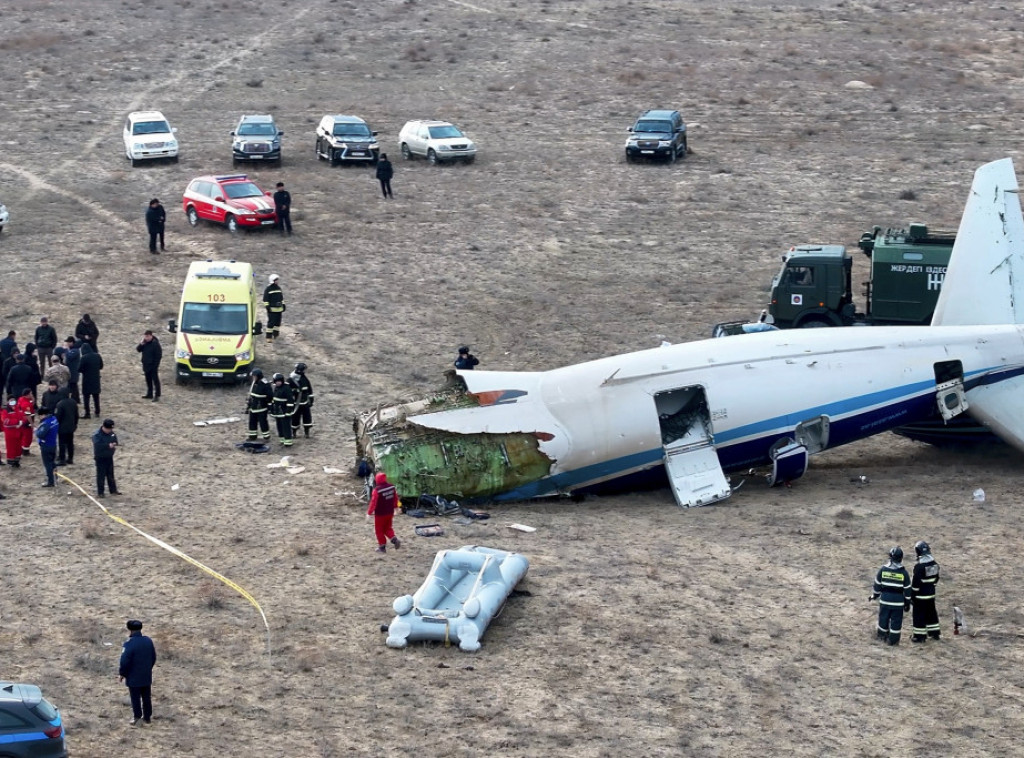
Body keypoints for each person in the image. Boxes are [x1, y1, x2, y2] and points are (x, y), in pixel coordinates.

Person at [871, 545, 912, 646]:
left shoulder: (883, 570)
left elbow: (877, 585)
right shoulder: (904, 573)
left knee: (883, 618)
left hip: (885, 600)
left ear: (890, 557)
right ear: (901, 558)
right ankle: (893, 641)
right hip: (898, 602)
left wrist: (875, 595)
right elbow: (907, 590)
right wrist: (907, 603)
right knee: (896, 622)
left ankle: (881, 637)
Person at [119, 619, 157, 726]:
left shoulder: (129, 644)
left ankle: (137, 717)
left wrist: (122, 673)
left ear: (130, 630)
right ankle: (147, 717)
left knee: (135, 697)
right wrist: (148, 668)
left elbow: (124, 661)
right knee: (146, 697)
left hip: (133, 676)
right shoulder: (148, 640)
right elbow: (153, 657)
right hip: (146, 674)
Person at [910, 540, 941, 642]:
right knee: (931, 613)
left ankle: (919, 636)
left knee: (919, 616)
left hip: (920, 597)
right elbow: (936, 579)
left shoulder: (919, 567)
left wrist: (912, 596)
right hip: (931, 595)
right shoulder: (935, 564)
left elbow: (915, 584)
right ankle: (935, 633)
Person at [366, 472, 401, 553]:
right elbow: (395, 498)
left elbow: (373, 502)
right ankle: (395, 540)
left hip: (380, 514)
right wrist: (396, 507)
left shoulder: (377, 490)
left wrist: (369, 513)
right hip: (390, 512)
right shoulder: (391, 487)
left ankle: (382, 547)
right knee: (388, 528)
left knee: (379, 530)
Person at [92, 418, 119, 497]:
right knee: (101, 475)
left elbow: (115, 439)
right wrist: (108, 445)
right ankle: (100, 492)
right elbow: (97, 445)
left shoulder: (111, 433)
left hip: (109, 456)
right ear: (104, 427)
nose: (110, 430)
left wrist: (114, 443)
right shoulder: (97, 435)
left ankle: (113, 490)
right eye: (108, 429)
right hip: (100, 458)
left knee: (110, 474)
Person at [245, 368, 272, 441]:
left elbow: (270, 396)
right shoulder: (254, 383)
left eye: (254, 376)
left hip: (261, 407)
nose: (253, 378)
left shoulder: (265, 384)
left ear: (258, 376)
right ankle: (252, 436)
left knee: (263, 422)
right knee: (252, 422)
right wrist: (248, 404)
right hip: (253, 407)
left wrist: (269, 406)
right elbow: (251, 394)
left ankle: (266, 437)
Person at [35, 406, 59, 488]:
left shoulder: (46, 423)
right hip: (53, 444)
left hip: (46, 446)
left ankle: (50, 482)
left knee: (47, 464)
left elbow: (40, 434)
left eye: (40, 416)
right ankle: (56, 478)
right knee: (53, 462)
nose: (39, 417)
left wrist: (36, 430)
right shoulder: (54, 419)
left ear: (43, 415)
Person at [269, 373, 296, 446]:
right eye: (276, 381)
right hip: (277, 411)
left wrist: (288, 411)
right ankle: (282, 439)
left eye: (279, 381)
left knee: (286, 426)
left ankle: (288, 442)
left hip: (284, 411)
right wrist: (271, 408)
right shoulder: (276, 388)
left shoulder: (287, 388)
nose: (278, 382)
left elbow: (290, 401)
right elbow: (274, 399)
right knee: (279, 426)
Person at [290, 362, 314, 439]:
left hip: (305, 403)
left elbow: (309, 390)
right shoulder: (291, 379)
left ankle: (307, 432)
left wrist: (311, 400)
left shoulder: (305, 379)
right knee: (295, 419)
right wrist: (295, 391)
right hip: (296, 403)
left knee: (307, 418)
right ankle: (293, 433)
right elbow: (287, 391)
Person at [79, 343, 103, 418]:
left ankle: (87, 413)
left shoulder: (84, 358)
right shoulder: (97, 356)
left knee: (86, 397)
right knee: (96, 397)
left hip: (87, 380)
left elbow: (79, 369)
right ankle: (97, 411)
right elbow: (101, 366)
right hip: (96, 379)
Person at [136, 330, 162, 401]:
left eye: (147, 336)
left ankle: (157, 395)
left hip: (153, 365)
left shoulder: (155, 344)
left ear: (151, 336)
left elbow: (158, 356)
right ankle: (149, 394)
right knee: (148, 380)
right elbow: (138, 350)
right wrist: (141, 344)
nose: (146, 338)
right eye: (145, 336)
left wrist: (155, 366)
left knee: (155, 380)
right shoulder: (145, 343)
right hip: (146, 364)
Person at [54, 392, 78, 466]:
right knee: (70, 443)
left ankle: (62, 459)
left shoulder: (60, 404)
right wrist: (75, 424)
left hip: (62, 428)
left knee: (62, 444)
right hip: (71, 427)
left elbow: (58, 416)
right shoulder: (73, 402)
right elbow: (76, 415)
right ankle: (70, 458)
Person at [2, 397, 26, 467]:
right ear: (8, 402)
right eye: (11, 400)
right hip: (10, 433)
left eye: (13, 400)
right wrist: (17, 422)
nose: (13, 402)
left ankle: (17, 461)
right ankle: (11, 461)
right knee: (11, 447)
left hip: (18, 431)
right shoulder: (5, 410)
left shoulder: (18, 408)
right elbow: (6, 421)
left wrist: (22, 422)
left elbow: (23, 417)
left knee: (18, 447)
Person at [262, 274, 285, 343]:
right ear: (272, 281)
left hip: (279, 309)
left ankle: (276, 334)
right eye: (276, 280)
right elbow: (265, 299)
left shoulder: (278, 288)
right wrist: (267, 307)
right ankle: (268, 337)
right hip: (272, 310)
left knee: (277, 323)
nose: (277, 281)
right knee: (271, 323)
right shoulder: (268, 289)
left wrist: (283, 304)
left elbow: (281, 298)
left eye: (277, 280)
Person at [16, 388, 36, 458]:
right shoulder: (26, 404)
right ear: (27, 394)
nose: (32, 394)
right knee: (28, 437)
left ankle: (22, 449)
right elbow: (28, 415)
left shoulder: (21, 399)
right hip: (27, 422)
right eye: (31, 393)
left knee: (22, 435)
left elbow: (32, 402)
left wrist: (32, 397)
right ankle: (26, 451)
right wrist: (32, 424)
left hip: (21, 420)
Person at [63, 337, 81, 403]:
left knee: (73, 385)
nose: (67, 344)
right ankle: (75, 398)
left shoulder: (75, 350)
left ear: (71, 343)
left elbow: (70, 356)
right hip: (70, 371)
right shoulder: (72, 350)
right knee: (71, 385)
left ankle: (75, 399)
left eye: (68, 342)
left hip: (73, 371)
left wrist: (66, 350)